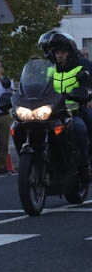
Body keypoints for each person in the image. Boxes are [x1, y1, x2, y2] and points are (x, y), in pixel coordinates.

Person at [39, 31, 92, 180]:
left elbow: (88, 86)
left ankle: (85, 165)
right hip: (53, 113)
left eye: (62, 52)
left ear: (69, 53)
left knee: (81, 127)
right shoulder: (50, 70)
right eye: (57, 53)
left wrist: (86, 93)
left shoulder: (80, 67)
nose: (59, 55)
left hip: (73, 112)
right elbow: (39, 85)